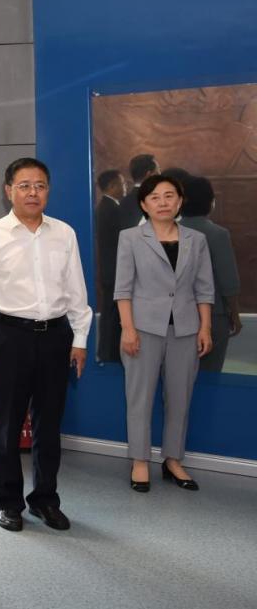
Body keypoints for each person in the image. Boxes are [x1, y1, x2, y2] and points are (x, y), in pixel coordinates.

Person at [0, 158, 92, 533]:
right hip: (9, 337)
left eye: (40, 185)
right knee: (5, 426)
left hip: (56, 336)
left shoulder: (64, 233)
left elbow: (76, 290)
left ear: (48, 191)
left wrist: (80, 339)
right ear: (9, 191)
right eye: (24, 185)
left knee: (49, 425)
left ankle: (45, 500)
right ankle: (8, 502)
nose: (32, 192)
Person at [116, 174, 214, 493]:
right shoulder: (130, 238)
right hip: (142, 329)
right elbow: (123, 289)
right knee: (140, 398)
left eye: (169, 196)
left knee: (180, 398)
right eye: (155, 197)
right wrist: (128, 329)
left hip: (185, 329)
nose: (163, 202)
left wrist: (205, 327)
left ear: (180, 201)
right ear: (144, 204)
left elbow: (204, 289)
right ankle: (140, 460)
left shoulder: (196, 240)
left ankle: (173, 460)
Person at [179, 175, 242, 373]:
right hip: (213, 315)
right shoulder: (218, 234)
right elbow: (228, 281)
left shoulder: (166, 233)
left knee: (177, 375)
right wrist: (235, 314)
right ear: (210, 202)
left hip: (173, 317)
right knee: (209, 373)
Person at [95, 169, 126, 362]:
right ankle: (109, 353)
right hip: (115, 271)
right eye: (122, 183)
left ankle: (106, 352)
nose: (125, 187)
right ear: (112, 186)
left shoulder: (104, 207)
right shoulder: (112, 209)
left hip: (108, 270)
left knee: (110, 314)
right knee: (112, 316)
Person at [119, 153, 160, 230]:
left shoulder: (124, 201)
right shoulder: (154, 201)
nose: (160, 176)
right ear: (149, 175)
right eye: (158, 172)